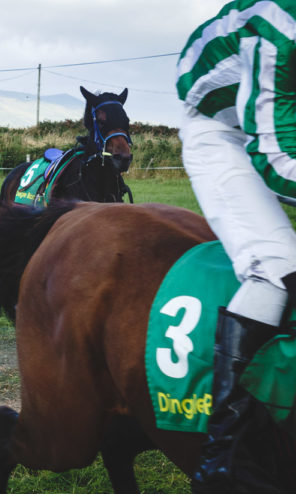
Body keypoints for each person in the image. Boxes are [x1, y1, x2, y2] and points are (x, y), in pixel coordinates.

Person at [176, 0, 296, 491]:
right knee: (278, 263)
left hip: (280, 109)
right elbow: (273, 151)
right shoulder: (279, 25)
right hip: (221, 127)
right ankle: (225, 453)